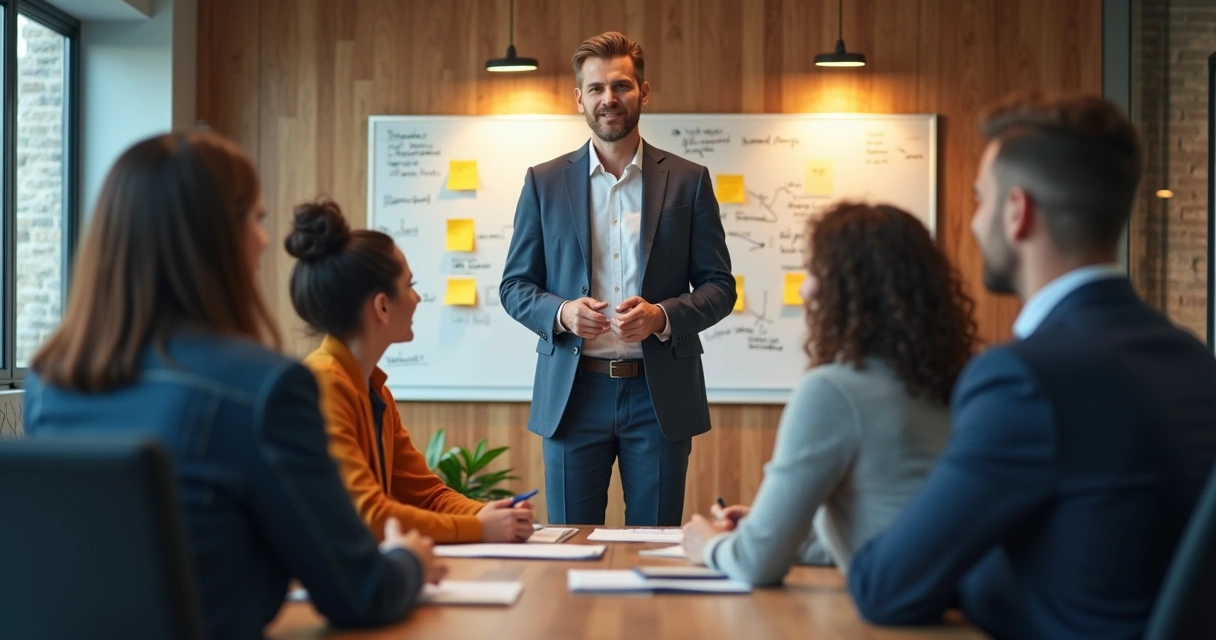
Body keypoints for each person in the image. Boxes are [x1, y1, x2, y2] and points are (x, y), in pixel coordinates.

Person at [22, 132, 445, 640]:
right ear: (211, 240)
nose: (265, 240)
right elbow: (358, 591)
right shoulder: (267, 389)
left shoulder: (50, 382)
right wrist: (408, 560)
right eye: (255, 219)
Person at [847, 91, 1216, 639]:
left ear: (1017, 212)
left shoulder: (1021, 379)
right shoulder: (1194, 361)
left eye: (980, 200)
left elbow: (886, 588)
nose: (974, 224)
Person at [499, 31, 735, 526]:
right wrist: (562, 313)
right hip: (573, 393)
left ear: (643, 93)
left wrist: (662, 316)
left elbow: (719, 287)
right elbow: (515, 286)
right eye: (597, 88)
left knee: (654, 548)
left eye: (622, 86)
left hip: (659, 395)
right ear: (579, 98)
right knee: (568, 545)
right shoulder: (543, 182)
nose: (610, 99)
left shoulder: (689, 181)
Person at [681, 202, 975, 584]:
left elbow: (756, 564)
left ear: (845, 290)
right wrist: (771, 530)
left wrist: (709, 545)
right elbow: (883, 529)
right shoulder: (950, 381)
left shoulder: (833, 391)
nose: (803, 290)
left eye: (812, 271)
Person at [287, 199, 534, 544]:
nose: (418, 298)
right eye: (409, 285)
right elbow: (367, 515)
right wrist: (479, 529)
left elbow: (427, 495)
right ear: (382, 306)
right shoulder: (324, 382)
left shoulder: (375, 390)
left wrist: (485, 514)